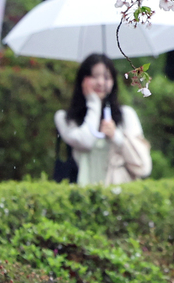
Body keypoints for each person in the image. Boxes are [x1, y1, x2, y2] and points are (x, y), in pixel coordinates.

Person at [54, 53, 152, 186]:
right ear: (82, 79)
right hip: (81, 192)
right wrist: (93, 103)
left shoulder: (126, 115)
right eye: (94, 76)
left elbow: (144, 166)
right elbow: (85, 142)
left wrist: (116, 136)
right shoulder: (65, 118)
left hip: (117, 192)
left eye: (106, 77)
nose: (100, 82)